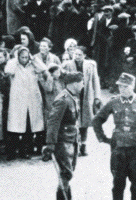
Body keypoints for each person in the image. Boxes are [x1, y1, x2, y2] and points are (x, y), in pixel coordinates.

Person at [92, 73, 136, 200]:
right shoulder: (114, 101)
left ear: (132, 86)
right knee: (117, 185)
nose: (122, 89)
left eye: (125, 86)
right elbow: (97, 120)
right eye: (120, 86)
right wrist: (103, 138)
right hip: (118, 149)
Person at [42, 72, 85, 200]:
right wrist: (50, 144)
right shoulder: (63, 99)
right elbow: (53, 123)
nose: (83, 85)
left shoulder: (72, 97)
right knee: (65, 174)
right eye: (82, 83)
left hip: (71, 141)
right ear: (75, 83)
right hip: (62, 143)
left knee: (68, 173)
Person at [4, 47, 46, 159]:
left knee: (29, 126)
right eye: (22, 57)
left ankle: (25, 151)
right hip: (18, 100)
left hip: (32, 100)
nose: (24, 59)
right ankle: (12, 152)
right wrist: (15, 59)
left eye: (26, 57)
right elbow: (8, 71)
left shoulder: (33, 65)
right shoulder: (13, 65)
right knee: (14, 128)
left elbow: (43, 68)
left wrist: (34, 59)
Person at [62, 46, 102, 156]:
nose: (77, 56)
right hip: (73, 95)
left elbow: (95, 81)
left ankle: (83, 145)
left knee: (84, 122)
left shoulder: (91, 65)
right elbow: (63, 80)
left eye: (80, 54)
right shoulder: (67, 64)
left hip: (86, 95)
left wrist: (97, 97)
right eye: (75, 54)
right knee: (73, 120)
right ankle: (74, 145)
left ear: (84, 55)